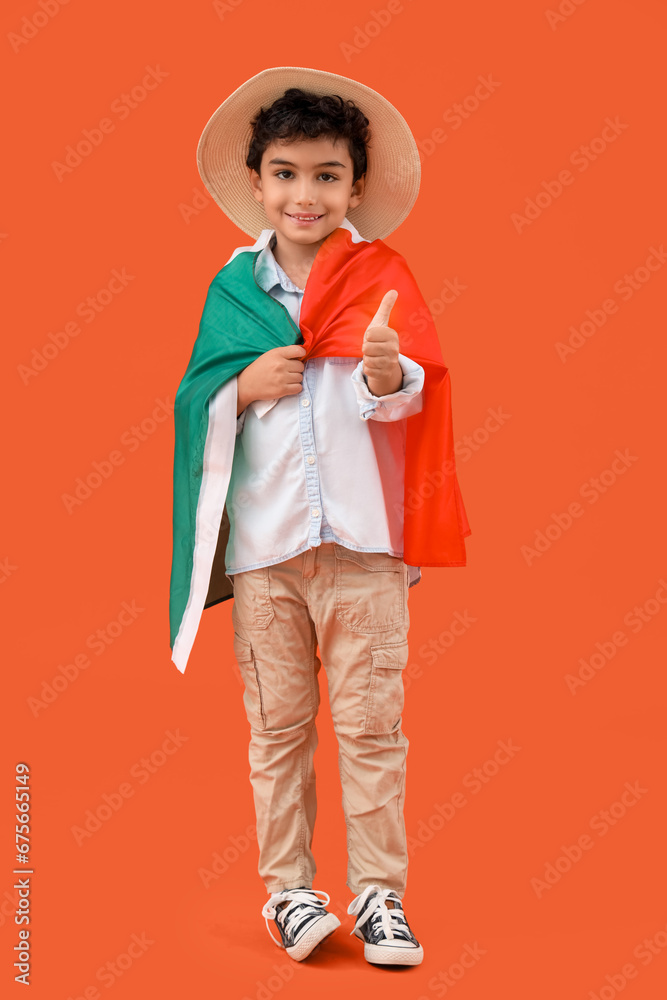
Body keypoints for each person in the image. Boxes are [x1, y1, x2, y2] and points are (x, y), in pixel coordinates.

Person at [169, 66, 471, 968]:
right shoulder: (232, 292)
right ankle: (290, 892)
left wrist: (386, 373)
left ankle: (379, 897)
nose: (306, 193)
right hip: (267, 554)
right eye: (288, 173)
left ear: (355, 185)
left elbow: (418, 400)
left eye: (327, 174)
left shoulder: (383, 280)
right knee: (277, 728)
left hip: (366, 547)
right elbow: (193, 406)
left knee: (373, 725)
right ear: (258, 182)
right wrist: (238, 387)